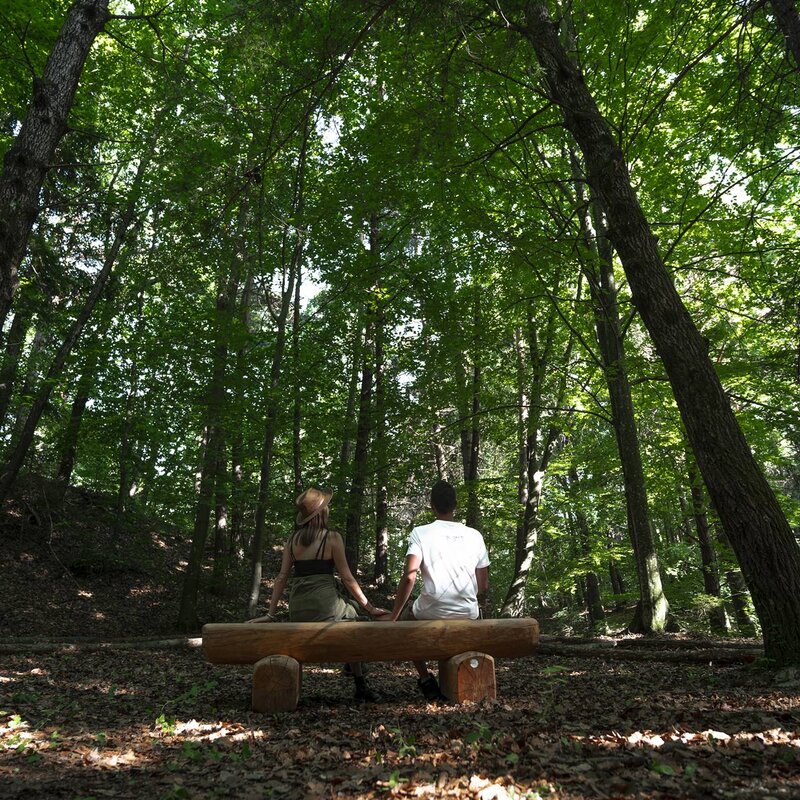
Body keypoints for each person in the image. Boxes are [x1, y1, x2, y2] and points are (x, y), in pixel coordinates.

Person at [247, 487, 388, 702]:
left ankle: (352, 668)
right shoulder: (332, 538)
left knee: (350, 607)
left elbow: (281, 577)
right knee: (354, 614)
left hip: (298, 608)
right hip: (325, 606)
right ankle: (360, 683)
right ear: (322, 513)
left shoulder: (292, 541)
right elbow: (347, 578)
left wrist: (271, 613)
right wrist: (371, 607)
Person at [387, 480, 490, 701]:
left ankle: (425, 679)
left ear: (432, 505)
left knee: (405, 624)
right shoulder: (475, 535)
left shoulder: (421, 533)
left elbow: (409, 577)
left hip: (430, 610)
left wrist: (394, 616)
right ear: (456, 505)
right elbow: (483, 586)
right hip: (468, 613)